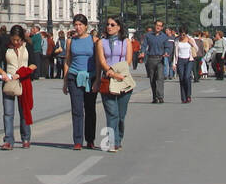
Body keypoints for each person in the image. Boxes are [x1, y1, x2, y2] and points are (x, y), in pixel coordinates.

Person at [0, 24, 37, 149]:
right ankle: (8, 140)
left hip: (23, 81)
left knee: (24, 111)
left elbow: (34, 64)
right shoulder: (5, 47)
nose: (16, 42)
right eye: (13, 39)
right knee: (8, 112)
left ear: (22, 38)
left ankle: (25, 138)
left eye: (18, 40)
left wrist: (22, 73)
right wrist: (3, 74)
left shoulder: (28, 46)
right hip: (9, 81)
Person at [97, 17, 135, 151]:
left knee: (121, 115)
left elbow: (128, 60)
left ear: (119, 27)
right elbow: (102, 60)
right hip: (108, 79)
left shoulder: (126, 42)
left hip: (123, 79)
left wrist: (118, 73)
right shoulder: (101, 42)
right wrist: (110, 72)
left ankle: (119, 138)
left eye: (112, 24)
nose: (109, 27)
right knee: (112, 113)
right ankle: (112, 142)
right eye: (107, 24)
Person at [62, 14, 99, 150]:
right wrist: (65, 81)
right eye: (76, 25)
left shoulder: (94, 40)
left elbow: (98, 61)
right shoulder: (71, 41)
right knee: (77, 109)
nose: (78, 28)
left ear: (86, 26)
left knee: (90, 109)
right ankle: (77, 140)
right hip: (74, 76)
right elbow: (67, 61)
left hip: (90, 77)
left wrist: (98, 80)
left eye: (80, 25)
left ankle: (90, 139)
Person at [142, 20, 170, 103]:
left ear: (162, 28)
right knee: (152, 79)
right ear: (154, 26)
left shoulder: (164, 37)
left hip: (160, 59)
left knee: (160, 77)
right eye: (157, 25)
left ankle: (160, 96)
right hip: (151, 59)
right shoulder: (148, 35)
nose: (158, 27)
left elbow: (167, 47)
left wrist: (166, 52)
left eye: (160, 26)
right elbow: (144, 45)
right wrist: (142, 52)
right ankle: (155, 97)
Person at [174, 26, 197, 102]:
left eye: (184, 34)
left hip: (189, 60)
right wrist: (174, 63)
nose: (182, 36)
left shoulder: (190, 39)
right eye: (181, 34)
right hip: (180, 60)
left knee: (187, 77)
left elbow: (197, 49)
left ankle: (188, 95)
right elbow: (175, 53)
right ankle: (183, 98)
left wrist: (192, 43)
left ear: (186, 34)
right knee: (181, 78)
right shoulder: (177, 41)